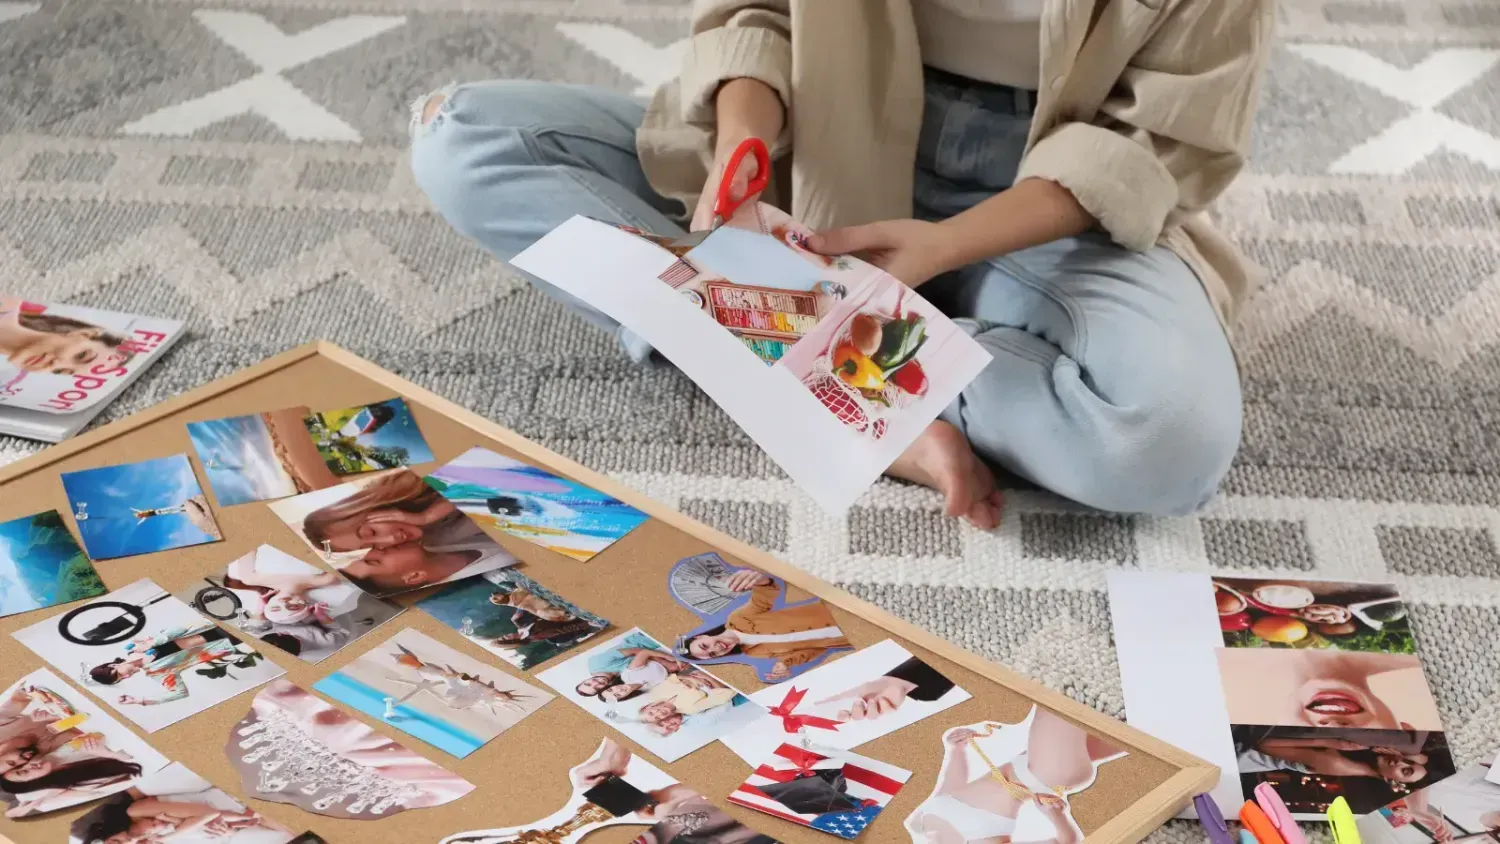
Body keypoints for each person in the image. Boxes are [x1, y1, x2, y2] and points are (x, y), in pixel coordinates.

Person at [409, 0, 1274, 528]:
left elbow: (1158, 141)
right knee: (464, 134)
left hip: (1053, 198)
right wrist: (744, 141)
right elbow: (753, 16)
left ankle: (791, 356)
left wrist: (944, 245)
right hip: (828, 149)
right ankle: (855, 388)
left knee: (1163, 446)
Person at [907, 708, 1124, 844]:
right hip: (1046, 773)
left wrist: (955, 750)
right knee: (1057, 696)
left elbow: (950, 789)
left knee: (1132, 726)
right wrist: (1057, 816)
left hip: (1033, 761)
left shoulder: (918, 825)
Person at [675, 569, 848, 681]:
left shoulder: (739, 618)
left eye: (705, 646)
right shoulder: (756, 652)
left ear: (702, 636)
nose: (716, 649)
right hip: (847, 638)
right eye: (712, 654)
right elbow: (813, 650)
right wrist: (787, 663)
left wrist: (760, 580)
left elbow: (764, 595)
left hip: (839, 611)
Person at [300, 471, 482, 554]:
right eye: (370, 546)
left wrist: (427, 515)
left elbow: (480, 472)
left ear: (367, 510)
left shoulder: (397, 480)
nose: (390, 541)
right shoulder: (435, 541)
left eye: (372, 532)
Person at [87, 625, 251, 706]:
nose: (127, 676)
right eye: (121, 680)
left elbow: (179, 629)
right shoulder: (157, 672)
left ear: (113, 665)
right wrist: (140, 701)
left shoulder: (138, 644)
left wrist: (152, 642)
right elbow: (180, 693)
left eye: (120, 674)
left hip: (213, 625)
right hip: (225, 642)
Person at [82, 785, 289, 844]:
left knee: (287, 834)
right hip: (231, 829)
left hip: (234, 804)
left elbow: (209, 812)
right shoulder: (151, 838)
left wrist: (172, 835)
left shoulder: (136, 811)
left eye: (115, 843)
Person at [0, 296, 134, 376]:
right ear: (84, 333)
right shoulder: (7, 304)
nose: (55, 364)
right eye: (81, 355)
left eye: (61, 371)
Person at [1239, 734, 1433, 786]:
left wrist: (1330, 741)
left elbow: (1264, 743)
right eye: (1407, 761)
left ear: (1390, 780)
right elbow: (1421, 757)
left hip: (1238, 753)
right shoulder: (1364, 757)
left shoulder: (1341, 764)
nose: (1400, 762)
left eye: (1405, 771)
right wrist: (1407, 753)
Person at [338, 541, 484, 596]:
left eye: (366, 551)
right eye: (375, 561)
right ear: (415, 576)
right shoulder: (480, 586)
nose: (378, 547)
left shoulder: (442, 536)